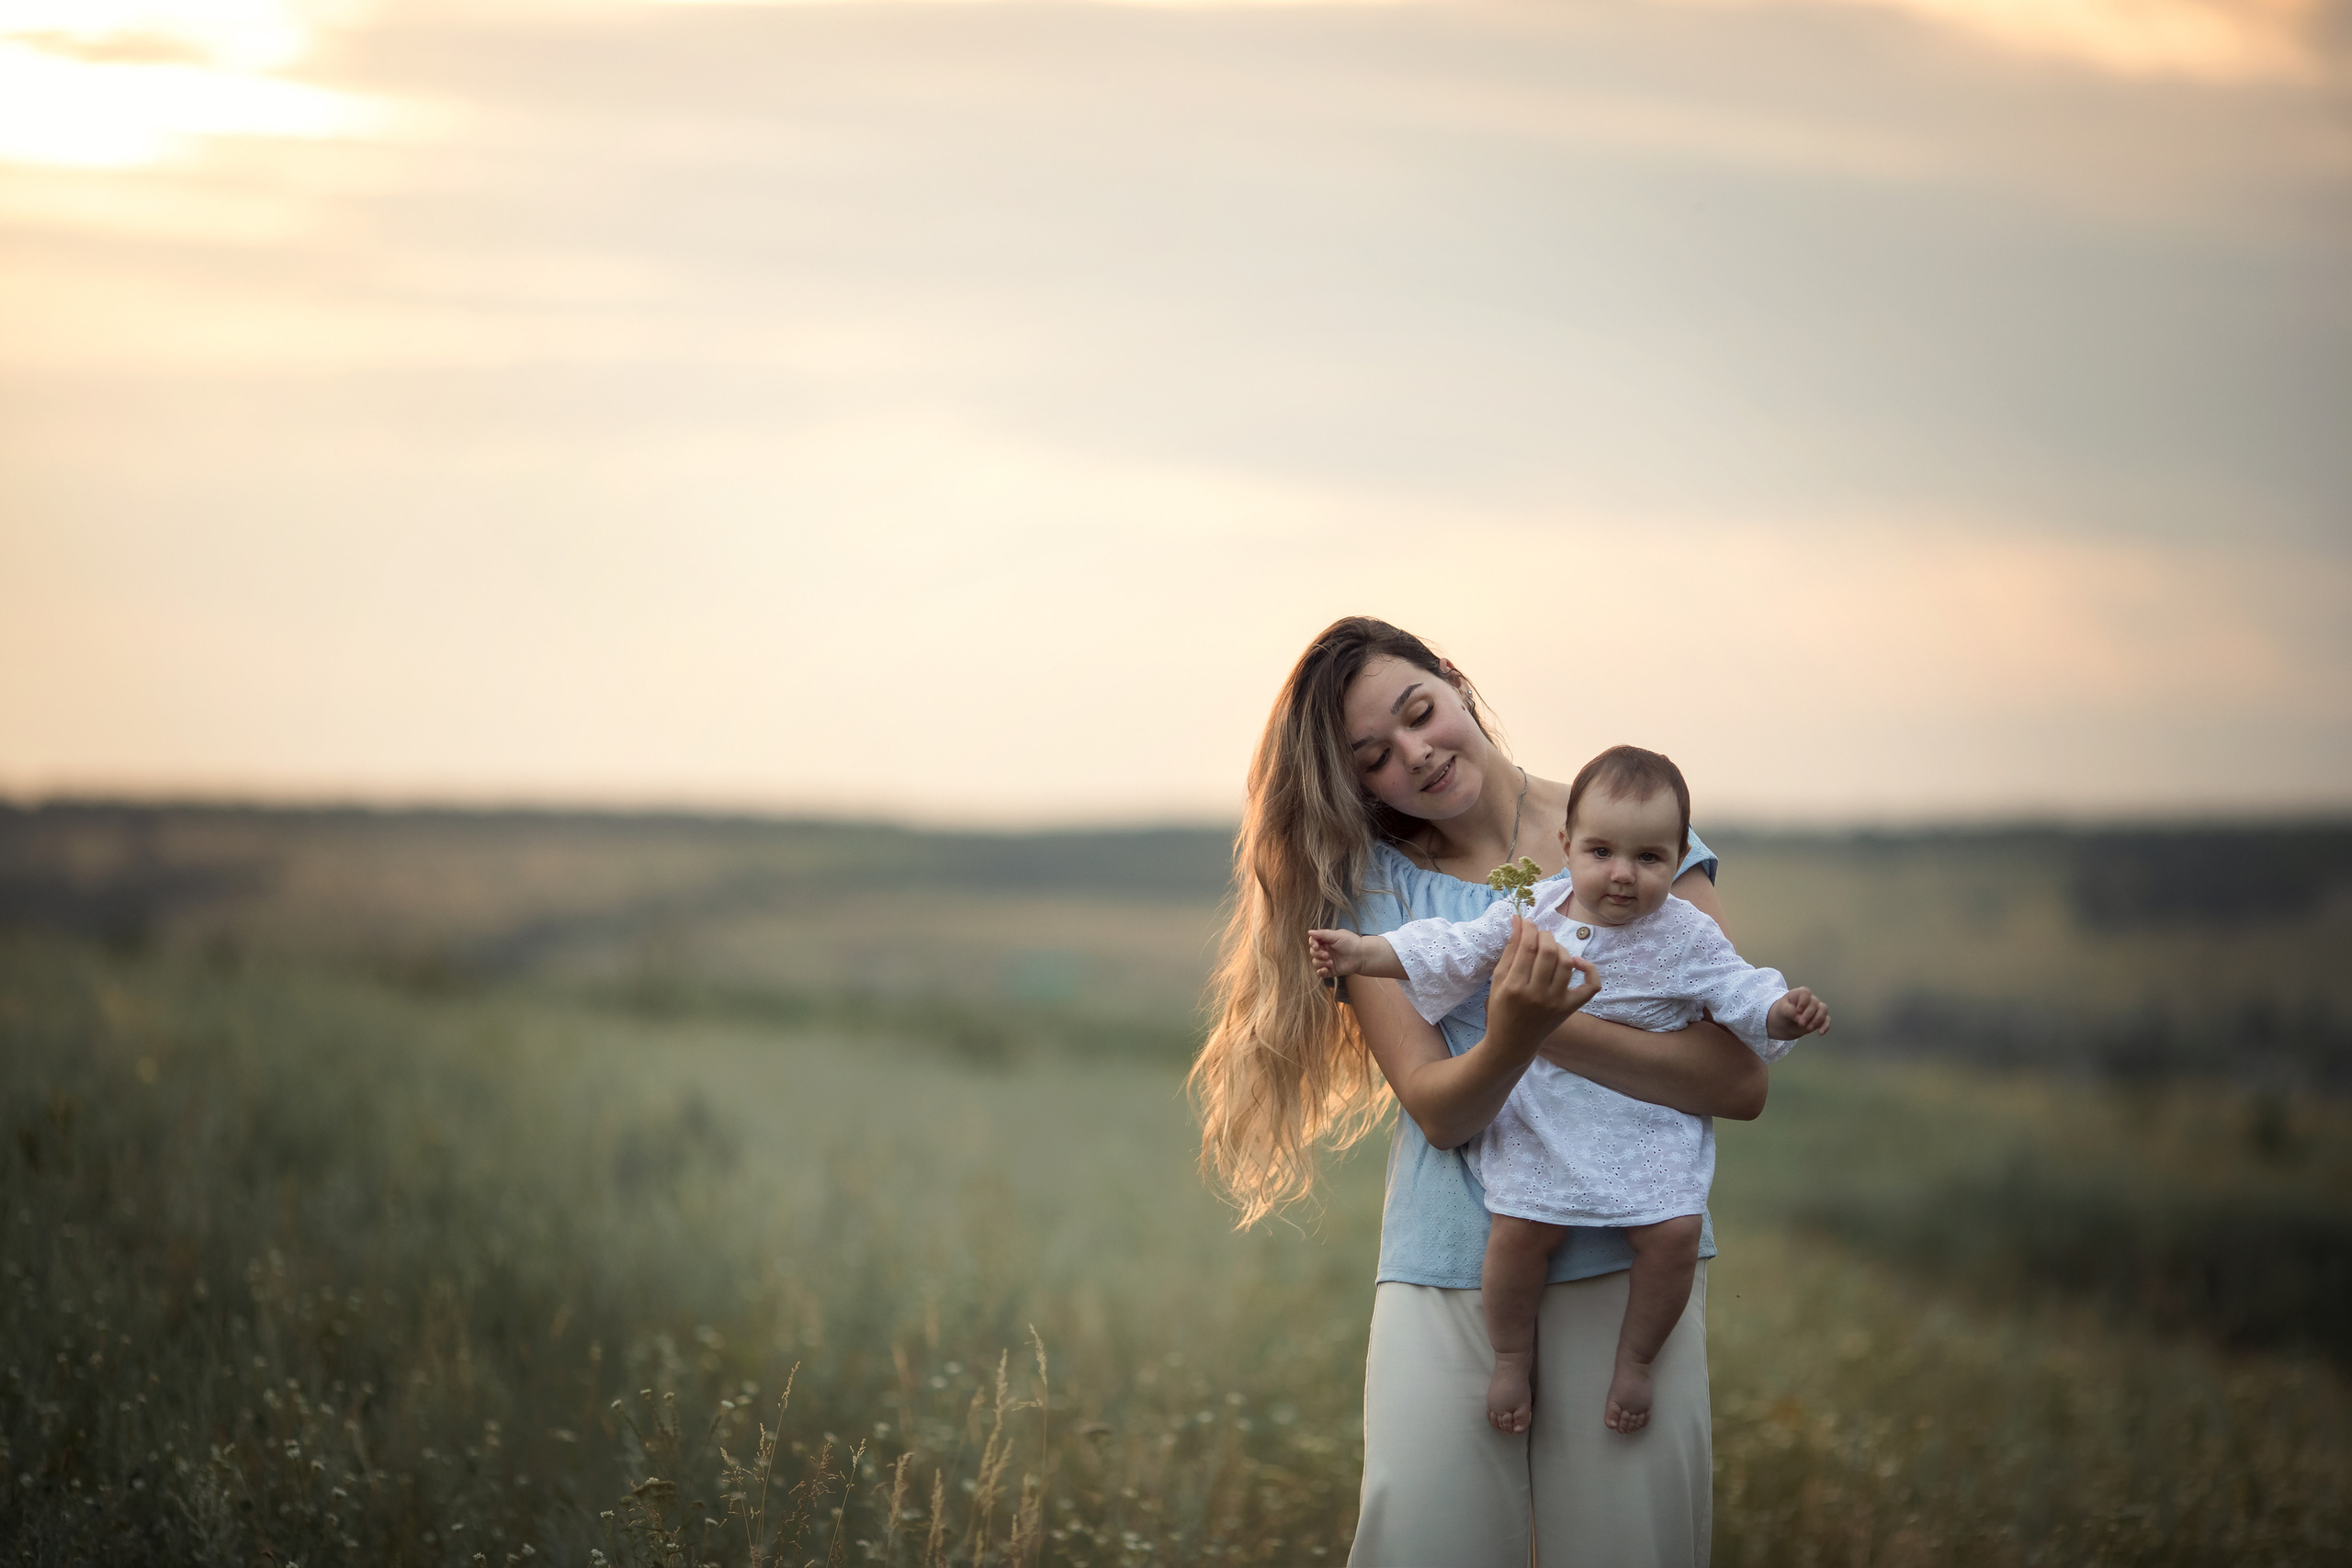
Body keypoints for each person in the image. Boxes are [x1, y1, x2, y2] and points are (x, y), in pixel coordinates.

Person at [1191, 617, 1771, 1568]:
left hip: (1630, 1262)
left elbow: (1737, 1079)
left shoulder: (1630, 831)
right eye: (1374, 756)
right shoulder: (1371, 888)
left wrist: (1544, 1027)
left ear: (1456, 684)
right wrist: (1515, 1031)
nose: (1415, 756)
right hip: (1447, 1264)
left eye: (1421, 713)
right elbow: (1439, 1107)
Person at [1306, 745, 1829, 1439]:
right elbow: (1447, 947)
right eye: (1602, 851)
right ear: (1567, 847)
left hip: (1639, 1126)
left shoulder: (1684, 933)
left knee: (1673, 1231)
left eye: (1649, 858)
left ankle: (1636, 1362)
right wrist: (1362, 954)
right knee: (1519, 1233)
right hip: (1546, 1116)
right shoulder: (1534, 909)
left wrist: (1778, 1013)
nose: (1622, 873)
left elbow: (1740, 988)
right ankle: (1511, 1358)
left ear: (1678, 860)